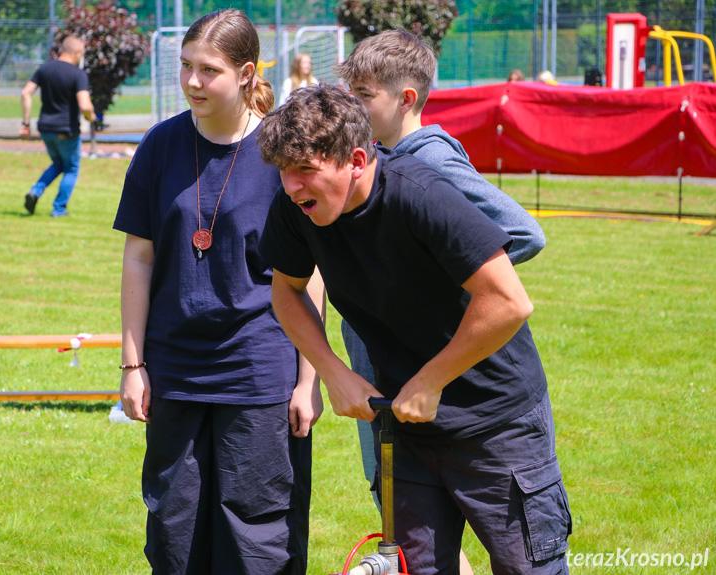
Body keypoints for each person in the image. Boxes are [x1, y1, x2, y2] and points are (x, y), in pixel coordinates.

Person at [257, 85, 572, 575]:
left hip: (497, 422)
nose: (291, 186)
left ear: (356, 160)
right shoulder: (298, 210)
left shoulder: (422, 195)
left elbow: (509, 301)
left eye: (305, 170)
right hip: (402, 427)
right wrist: (333, 372)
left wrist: (430, 380)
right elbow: (287, 291)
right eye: (283, 172)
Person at [113, 9, 323, 575]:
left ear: (247, 73)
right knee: (174, 527)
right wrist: (132, 366)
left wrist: (309, 379)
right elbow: (138, 257)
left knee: (256, 532)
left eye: (208, 70)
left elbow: (311, 274)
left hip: (259, 368)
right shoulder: (160, 146)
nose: (191, 82)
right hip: (175, 368)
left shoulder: (282, 150)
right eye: (185, 67)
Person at [333, 29, 547, 572]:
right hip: (392, 391)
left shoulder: (430, 166)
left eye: (364, 94)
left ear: (407, 99)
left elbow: (522, 232)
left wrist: (435, 279)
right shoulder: (370, 163)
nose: (352, 105)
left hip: (460, 401)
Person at [20, 36, 94, 217]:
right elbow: (84, 105)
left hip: (45, 129)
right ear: (77, 52)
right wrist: (92, 117)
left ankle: (35, 192)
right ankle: (59, 209)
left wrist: (26, 123)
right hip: (65, 131)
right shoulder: (78, 74)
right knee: (71, 168)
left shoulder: (45, 68)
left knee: (58, 163)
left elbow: (25, 93)